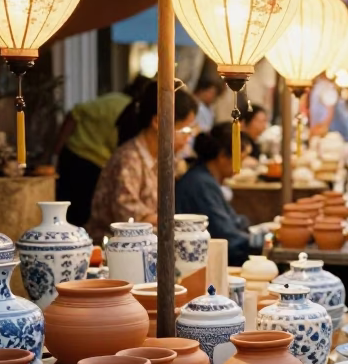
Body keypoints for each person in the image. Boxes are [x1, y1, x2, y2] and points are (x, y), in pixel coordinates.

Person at [86, 83, 198, 243]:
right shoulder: (129, 159)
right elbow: (129, 217)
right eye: (184, 130)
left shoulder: (165, 159)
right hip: (112, 248)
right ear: (158, 122)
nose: (188, 138)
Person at [55, 76, 149, 227]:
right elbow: (75, 113)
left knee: (79, 212)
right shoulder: (118, 103)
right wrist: (57, 149)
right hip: (79, 155)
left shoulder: (128, 109)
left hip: (96, 161)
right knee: (75, 214)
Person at [176, 122, 265, 266]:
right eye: (239, 160)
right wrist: (262, 240)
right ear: (223, 156)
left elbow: (232, 222)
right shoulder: (200, 183)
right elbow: (224, 234)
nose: (240, 167)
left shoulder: (205, 178)